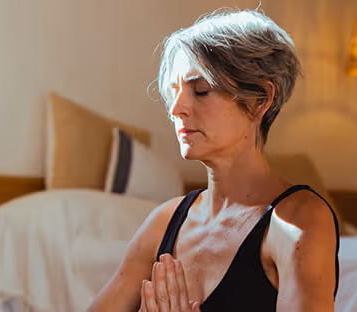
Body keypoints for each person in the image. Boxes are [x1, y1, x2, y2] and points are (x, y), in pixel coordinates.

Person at [88, 8, 339, 312]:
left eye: (201, 91)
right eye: (174, 92)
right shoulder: (164, 222)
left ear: (260, 99)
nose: (177, 108)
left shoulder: (299, 220)